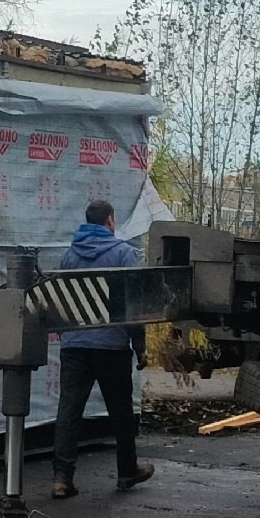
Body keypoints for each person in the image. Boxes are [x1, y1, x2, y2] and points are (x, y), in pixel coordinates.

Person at [51, 197, 154, 497]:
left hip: (75, 346)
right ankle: (126, 472)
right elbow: (132, 305)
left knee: (69, 411)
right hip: (111, 346)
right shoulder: (123, 254)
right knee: (121, 411)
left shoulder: (70, 256)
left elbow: (61, 300)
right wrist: (140, 345)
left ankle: (62, 478)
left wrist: (67, 337)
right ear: (110, 221)